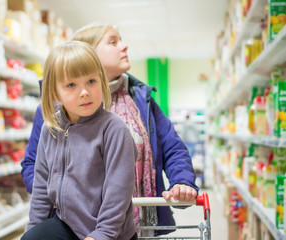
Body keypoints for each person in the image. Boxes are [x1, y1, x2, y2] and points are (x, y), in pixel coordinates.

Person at [21, 23, 198, 236]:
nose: (124, 46)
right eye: (113, 42)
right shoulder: (53, 115)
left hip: (126, 220)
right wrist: (65, 194)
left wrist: (181, 182)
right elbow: (37, 167)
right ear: (85, 52)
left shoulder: (140, 100)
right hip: (68, 219)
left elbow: (173, 148)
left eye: (91, 81)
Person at [22, 41, 138, 240]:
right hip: (67, 225)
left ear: (102, 81)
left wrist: (102, 234)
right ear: (55, 91)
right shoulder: (50, 129)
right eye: (71, 85)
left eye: (91, 81)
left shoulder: (113, 129)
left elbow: (118, 192)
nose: (84, 92)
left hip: (111, 231)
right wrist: (34, 229)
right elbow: (41, 185)